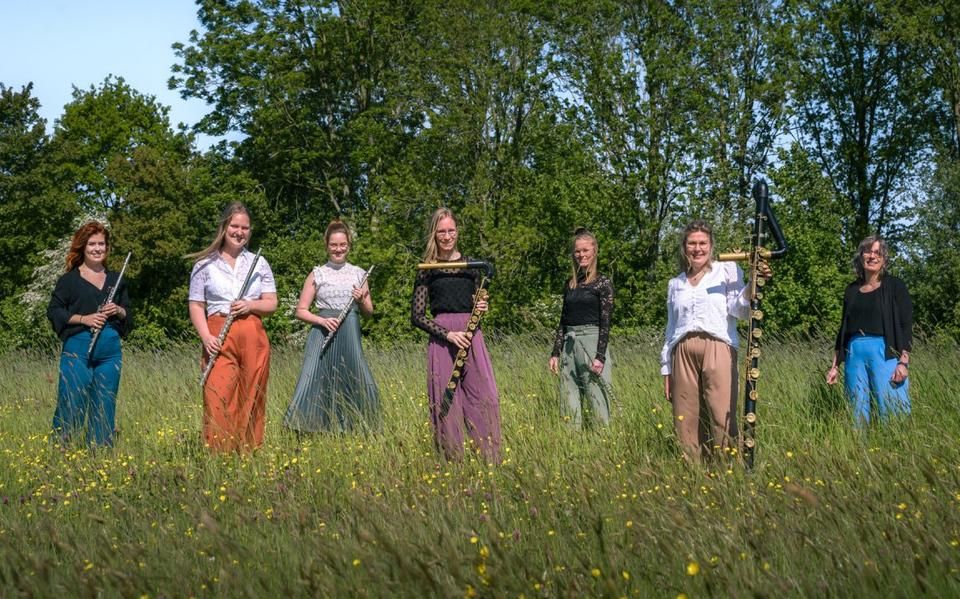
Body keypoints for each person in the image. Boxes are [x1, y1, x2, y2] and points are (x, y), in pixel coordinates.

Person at [660, 220, 763, 462]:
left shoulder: (726, 270)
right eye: (692, 243)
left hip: (718, 346)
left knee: (721, 413)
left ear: (711, 245)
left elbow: (739, 310)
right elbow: (671, 327)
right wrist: (666, 367)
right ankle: (694, 473)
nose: (697, 248)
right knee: (685, 418)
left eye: (702, 243)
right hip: (682, 350)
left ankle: (727, 470)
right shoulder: (675, 284)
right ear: (685, 247)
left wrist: (752, 286)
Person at [411, 208, 501, 462]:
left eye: (451, 230)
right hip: (443, 338)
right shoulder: (426, 269)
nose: (447, 236)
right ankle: (454, 460)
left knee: (486, 396)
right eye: (441, 231)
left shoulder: (471, 267)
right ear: (434, 234)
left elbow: (476, 304)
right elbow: (417, 316)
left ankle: (489, 457)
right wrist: (449, 335)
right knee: (445, 401)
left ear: (457, 232)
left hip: (472, 334)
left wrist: (481, 308)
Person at [187, 202, 277, 452]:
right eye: (235, 226)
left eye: (245, 228)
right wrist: (206, 336)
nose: (240, 232)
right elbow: (196, 305)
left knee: (251, 395)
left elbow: (271, 304)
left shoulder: (259, 263)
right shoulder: (204, 265)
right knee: (218, 396)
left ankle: (248, 454)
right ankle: (220, 456)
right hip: (218, 332)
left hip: (252, 333)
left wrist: (250, 305)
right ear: (224, 227)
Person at [284, 220, 380, 433]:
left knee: (357, 377)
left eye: (343, 245)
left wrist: (362, 298)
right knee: (313, 379)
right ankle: (308, 428)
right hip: (322, 332)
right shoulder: (317, 273)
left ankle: (357, 427)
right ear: (327, 245)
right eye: (334, 245)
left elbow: (369, 311)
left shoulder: (359, 273)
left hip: (350, 331)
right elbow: (300, 310)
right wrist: (322, 321)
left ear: (349, 245)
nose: (338, 249)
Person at [47, 221, 131, 447]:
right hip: (78, 347)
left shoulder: (116, 280)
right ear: (83, 247)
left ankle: (100, 453)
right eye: (92, 244)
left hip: (110, 351)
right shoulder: (69, 280)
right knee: (71, 401)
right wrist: (86, 319)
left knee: (105, 403)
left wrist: (118, 310)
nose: (97, 248)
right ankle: (63, 451)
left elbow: (128, 314)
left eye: (101, 244)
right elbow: (55, 311)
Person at [826, 236, 912, 425]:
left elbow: (906, 325)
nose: (872, 256)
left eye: (877, 252)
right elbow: (843, 330)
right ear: (861, 256)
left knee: (891, 409)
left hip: (885, 353)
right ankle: (859, 449)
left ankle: (894, 449)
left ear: (884, 259)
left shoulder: (895, 286)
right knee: (856, 411)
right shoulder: (852, 290)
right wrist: (834, 367)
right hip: (854, 353)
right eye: (868, 251)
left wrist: (903, 363)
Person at [548, 228, 614, 428]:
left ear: (594, 252)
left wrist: (600, 356)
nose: (581, 255)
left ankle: (602, 444)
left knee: (597, 399)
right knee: (568, 400)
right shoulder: (570, 284)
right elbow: (563, 319)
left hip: (592, 342)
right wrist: (555, 353)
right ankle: (573, 442)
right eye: (577, 251)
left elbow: (606, 322)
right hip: (570, 342)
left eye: (585, 250)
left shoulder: (603, 283)